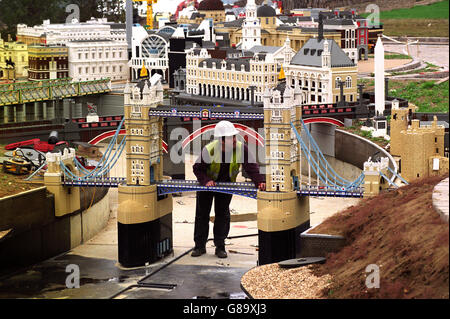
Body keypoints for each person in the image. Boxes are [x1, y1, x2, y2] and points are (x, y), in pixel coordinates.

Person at [192, 120, 266, 258]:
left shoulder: (240, 148)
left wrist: (260, 181)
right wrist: (206, 180)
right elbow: (197, 169)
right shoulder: (210, 150)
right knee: (202, 215)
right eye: (229, 137)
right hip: (206, 187)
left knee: (222, 215)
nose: (233, 139)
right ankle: (199, 246)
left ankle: (220, 247)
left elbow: (251, 167)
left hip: (226, 185)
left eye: (233, 136)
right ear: (221, 140)